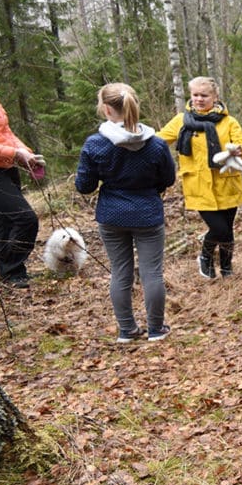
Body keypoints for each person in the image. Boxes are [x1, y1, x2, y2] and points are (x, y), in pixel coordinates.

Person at [76, 83, 177, 342]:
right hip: (147, 213)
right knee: (151, 273)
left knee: (121, 272)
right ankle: (156, 329)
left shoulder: (95, 144)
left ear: (107, 109)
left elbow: (84, 187)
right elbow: (168, 179)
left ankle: (127, 330)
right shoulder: (156, 145)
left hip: (111, 216)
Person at [158, 77, 242, 279]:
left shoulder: (228, 122)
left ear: (215, 96)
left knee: (227, 229)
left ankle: (226, 268)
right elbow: (158, 141)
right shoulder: (181, 121)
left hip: (227, 184)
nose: (199, 99)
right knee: (218, 229)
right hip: (198, 186)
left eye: (204, 95)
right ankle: (205, 257)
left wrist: (239, 151)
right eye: (195, 95)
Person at [0, 52, 42, 288]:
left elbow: (6, 133)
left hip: (6, 167)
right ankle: (13, 268)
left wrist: (26, 154)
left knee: (5, 221)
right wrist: (14, 154)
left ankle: (10, 273)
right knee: (26, 219)